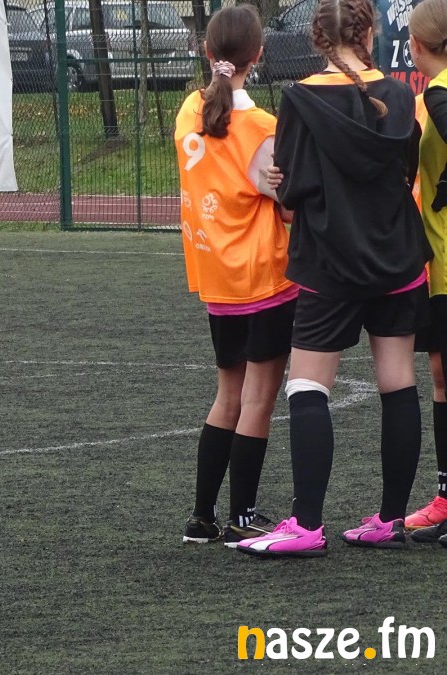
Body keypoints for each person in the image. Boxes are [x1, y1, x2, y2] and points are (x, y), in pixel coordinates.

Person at [237, 0, 431, 558]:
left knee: (307, 387)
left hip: (330, 263)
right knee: (399, 382)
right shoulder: (400, 95)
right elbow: (405, 173)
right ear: (368, 33)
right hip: (397, 256)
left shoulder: (300, 98)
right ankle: (391, 520)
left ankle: (307, 525)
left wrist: (284, 184)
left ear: (317, 38)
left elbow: (292, 196)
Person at [173, 5, 293, 548]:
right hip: (264, 274)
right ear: (258, 55)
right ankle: (242, 515)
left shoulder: (189, 110)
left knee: (228, 395)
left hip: (216, 275)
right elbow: (286, 207)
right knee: (259, 399)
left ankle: (202, 517)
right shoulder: (264, 127)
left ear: (206, 50)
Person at [405, 0, 447, 544]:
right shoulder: (426, 97)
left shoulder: (438, 94)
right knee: (441, 379)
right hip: (436, 260)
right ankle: (445, 498)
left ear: (416, 44)